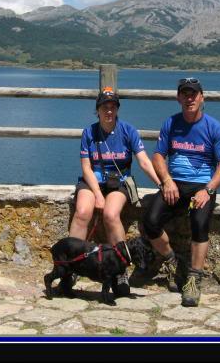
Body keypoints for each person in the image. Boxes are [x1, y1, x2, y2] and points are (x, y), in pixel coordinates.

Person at [142, 77, 220, 307]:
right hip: (174, 184)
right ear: (178, 98)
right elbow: (158, 155)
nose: (189, 98)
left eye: (194, 94)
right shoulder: (171, 124)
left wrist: (208, 190)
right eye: (185, 94)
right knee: (150, 221)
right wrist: (166, 180)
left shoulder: (214, 126)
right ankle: (173, 261)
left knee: (199, 224)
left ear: (202, 97)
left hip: (202, 186)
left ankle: (194, 278)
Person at [68, 87, 162, 296]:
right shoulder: (89, 133)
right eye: (104, 107)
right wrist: (98, 195)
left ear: (117, 109)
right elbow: (86, 168)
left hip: (119, 182)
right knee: (83, 212)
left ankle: (120, 271)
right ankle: (72, 265)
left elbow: (144, 161)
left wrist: (161, 183)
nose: (109, 111)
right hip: (93, 181)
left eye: (112, 107)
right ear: (98, 110)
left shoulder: (129, 131)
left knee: (111, 214)